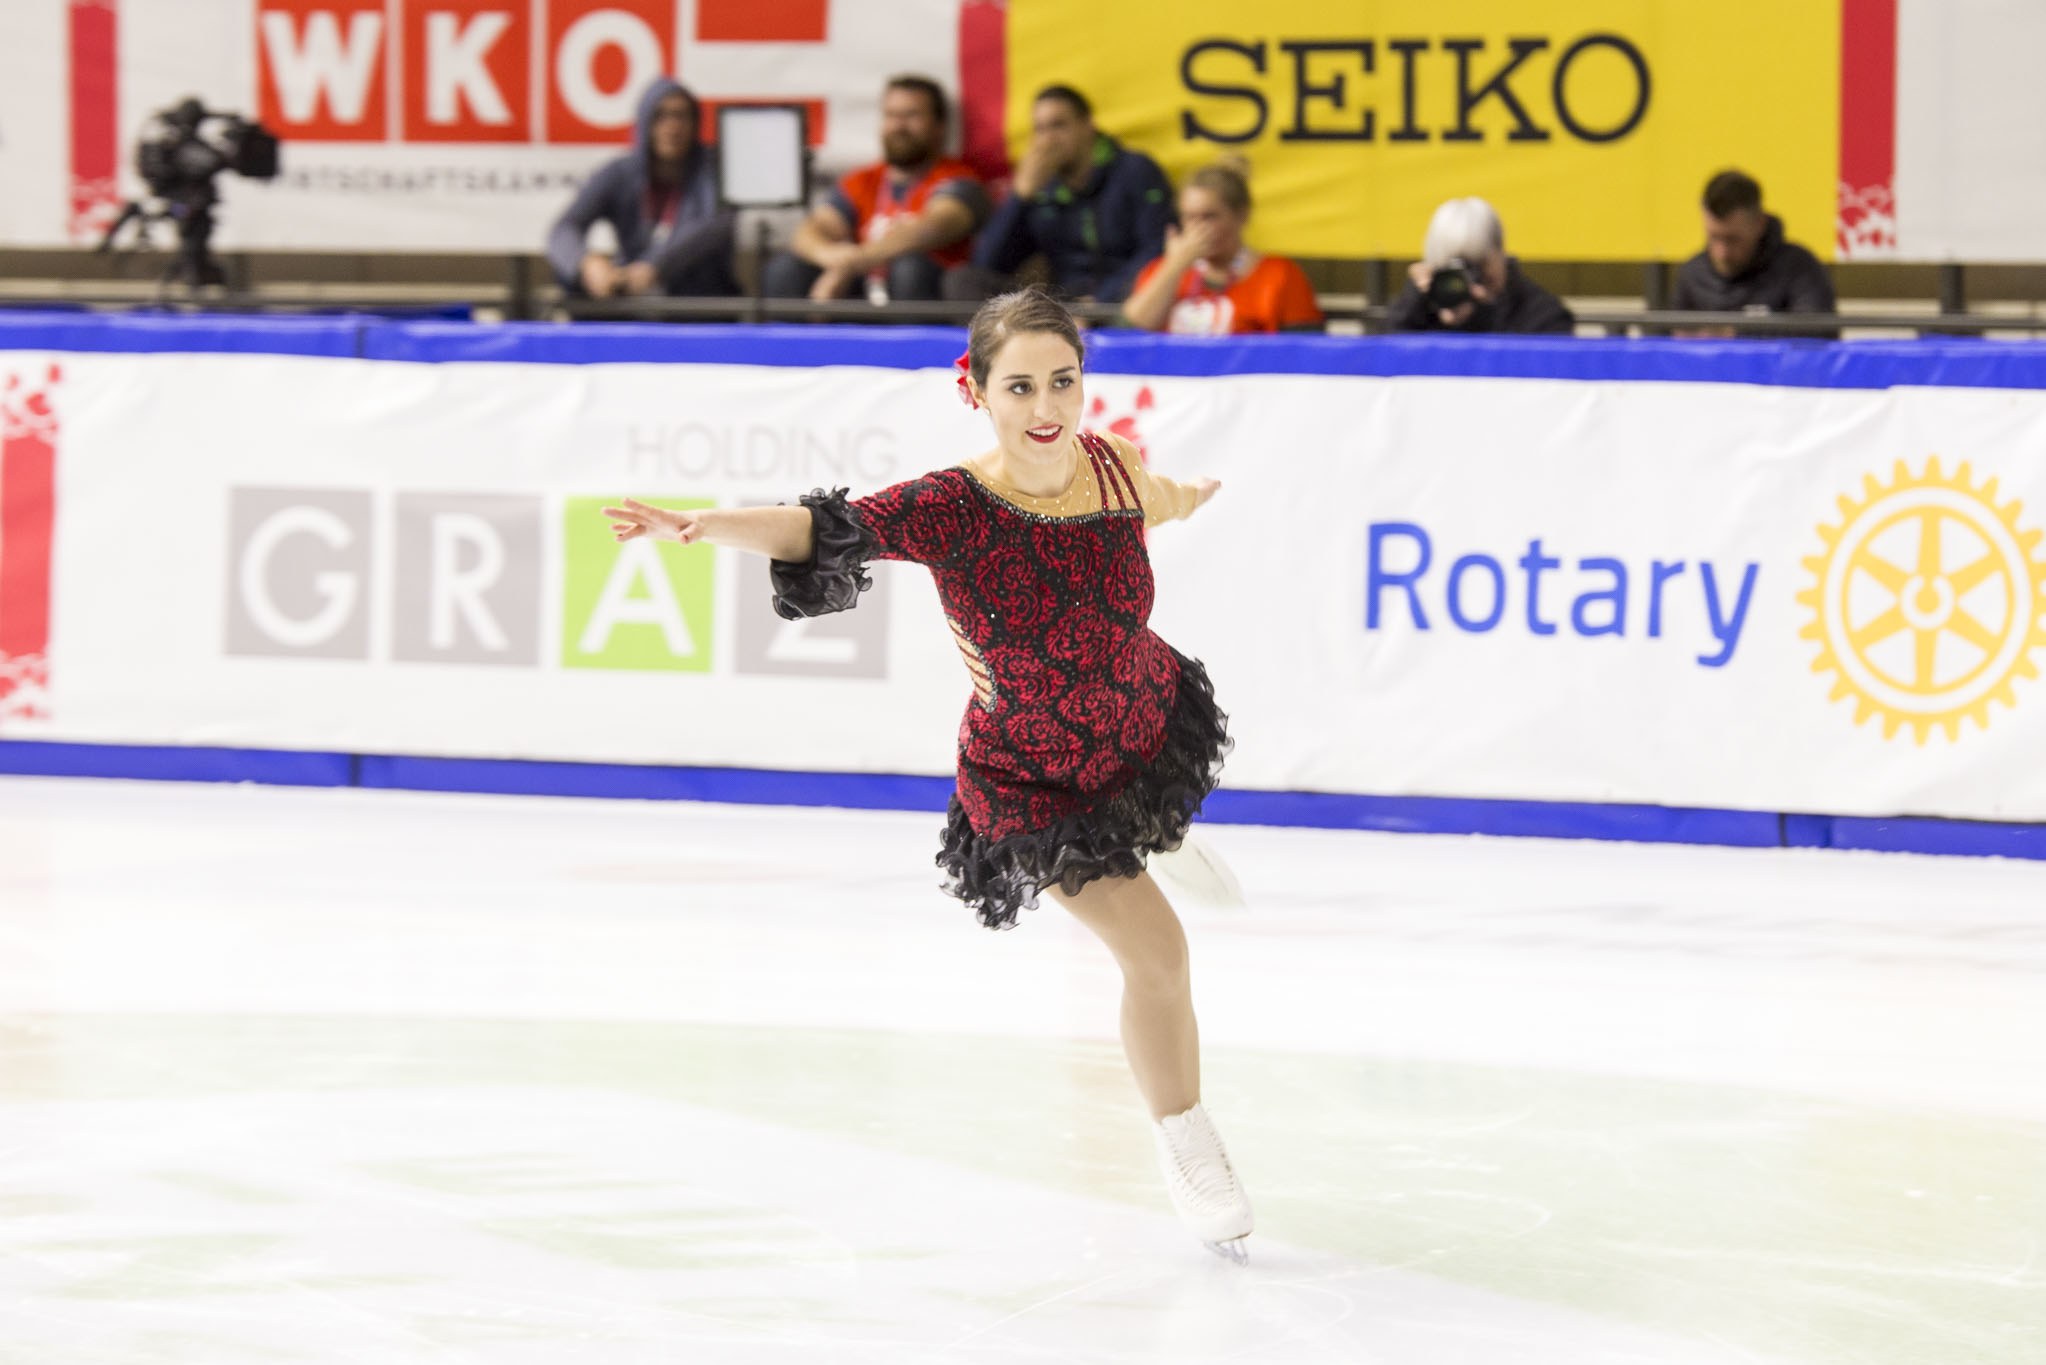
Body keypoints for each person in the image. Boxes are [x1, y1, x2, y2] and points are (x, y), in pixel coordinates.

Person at [601, 289, 1254, 1261]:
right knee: (1158, 956)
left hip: (1142, 718)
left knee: (1156, 812)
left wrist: (1194, 493)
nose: (1046, 406)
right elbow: (820, 530)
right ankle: (1187, 1139)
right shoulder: (954, 507)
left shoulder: (1113, 466)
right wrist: (702, 525)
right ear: (976, 390)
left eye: (1064, 381)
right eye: (1020, 384)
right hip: (1036, 778)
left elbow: (1161, 498)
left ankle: (1161, 825)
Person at [761, 76, 989, 304]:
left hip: (919, 294)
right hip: (862, 290)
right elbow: (810, 231)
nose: (899, 126)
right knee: (785, 270)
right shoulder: (863, 180)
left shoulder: (958, 180)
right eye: (891, 115)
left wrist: (856, 261)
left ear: (939, 125)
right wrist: (831, 257)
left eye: (912, 115)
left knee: (909, 270)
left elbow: (934, 227)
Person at [944, 86, 1175, 305]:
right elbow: (988, 264)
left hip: (1128, 300)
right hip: (1064, 304)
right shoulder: (1041, 188)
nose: (1048, 139)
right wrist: (1020, 196)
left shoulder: (1134, 170)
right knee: (963, 281)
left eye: (1058, 126)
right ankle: (1015, 344)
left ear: (1088, 126)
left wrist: (1103, 300)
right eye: (1040, 129)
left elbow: (1156, 248)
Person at [546, 79, 739, 299]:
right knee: (571, 276)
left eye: (681, 116)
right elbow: (564, 228)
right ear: (645, 121)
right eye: (660, 116)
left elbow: (714, 226)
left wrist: (655, 266)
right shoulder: (621, 173)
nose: (672, 126)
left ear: (695, 123)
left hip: (694, 292)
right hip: (629, 286)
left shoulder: (714, 171)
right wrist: (588, 264)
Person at [1122, 161, 1323, 335]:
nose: (1197, 228)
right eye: (1189, 217)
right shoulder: (1164, 271)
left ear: (1241, 215)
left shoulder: (1280, 275)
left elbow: (1304, 349)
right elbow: (1136, 324)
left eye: (1209, 217)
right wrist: (1175, 266)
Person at [1672, 170, 1839, 339]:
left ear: (1759, 224)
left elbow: (1819, 335)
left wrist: (1735, 334)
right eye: (1713, 237)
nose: (1722, 253)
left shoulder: (1798, 268)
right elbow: (1664, 342)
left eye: (1733, 240)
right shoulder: (1692, 274)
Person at [1386, 197, 1575, 335]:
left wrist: (1486, 313)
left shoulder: (1543, 315)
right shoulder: (1420, 311)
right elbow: (1381, 363)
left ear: (1500, 253)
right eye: (1451, 266)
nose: (1465, 280)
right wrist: (1413, 303)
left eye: (1476, 265)